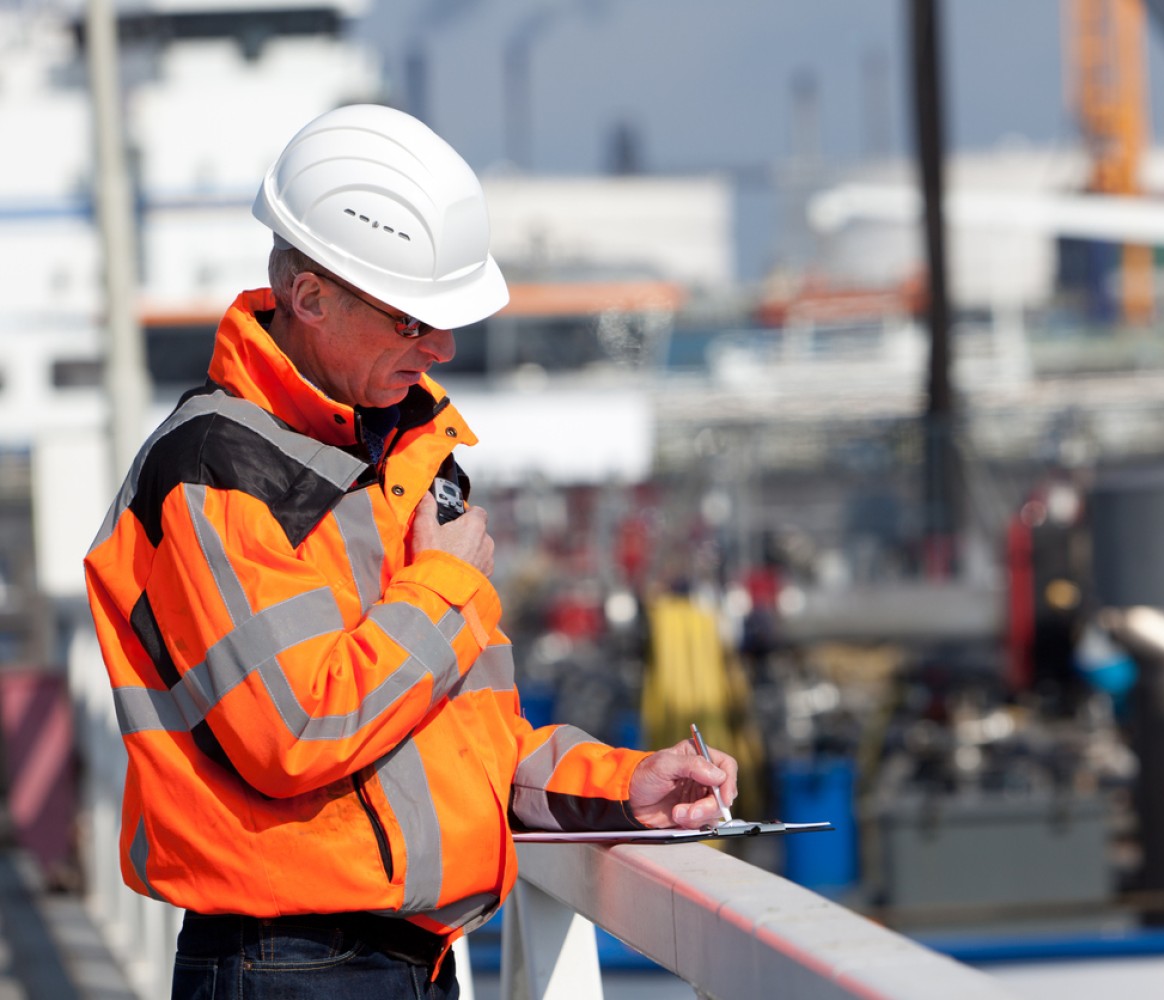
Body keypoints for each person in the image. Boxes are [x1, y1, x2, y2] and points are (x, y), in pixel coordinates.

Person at [82, 104, 737, 1000]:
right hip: (292, 968)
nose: (443, 347)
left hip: (394, 964)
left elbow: (469, 743)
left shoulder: (405, 460)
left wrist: (628, 787)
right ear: (310, 298)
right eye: (411, 321)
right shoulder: (215, 474)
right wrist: (441, 587)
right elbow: (301, 732)